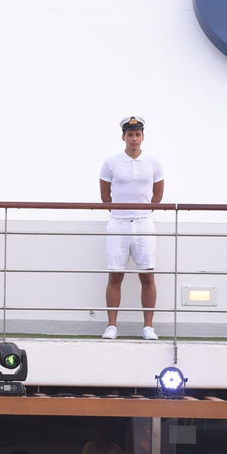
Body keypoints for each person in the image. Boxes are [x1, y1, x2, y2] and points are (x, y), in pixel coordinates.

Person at [99, 115, 164, 340]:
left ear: (142, 137)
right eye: (130, 135)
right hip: (118, 223)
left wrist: (145, 211)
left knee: (147, 275)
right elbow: (104, 194)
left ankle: (148, 327)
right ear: (123, 137)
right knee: (115, 275)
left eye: (137, 135)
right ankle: (112, 326)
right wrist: (119, 212)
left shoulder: (153, 162)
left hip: (144, 223)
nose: (133, 139)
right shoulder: (111, 162)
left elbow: (158, 192)